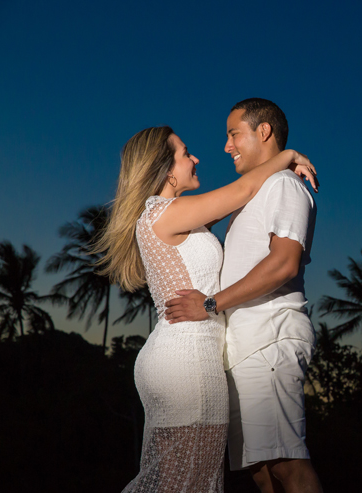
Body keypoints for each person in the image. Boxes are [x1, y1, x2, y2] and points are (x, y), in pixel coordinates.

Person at [93, 125, 317, 492]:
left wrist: (274, 174)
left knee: (176, 482)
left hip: (178, 358)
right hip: (189, 359)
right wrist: (287, 157)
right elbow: (242, 190)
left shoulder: (170, 217)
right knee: (187, 484)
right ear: (165, 170)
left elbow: (242, 199)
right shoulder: (164, 213)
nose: (196, 158)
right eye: (185, 153)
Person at [164, 98, 323, 493]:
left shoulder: (285, 187)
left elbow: (285, 263)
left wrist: (210, 305)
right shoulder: (257, 191)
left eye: (234, 134)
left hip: (269, 338)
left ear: (263, 131)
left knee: (287, 464)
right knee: (262, 473)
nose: (226, 146)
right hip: (243, 347)